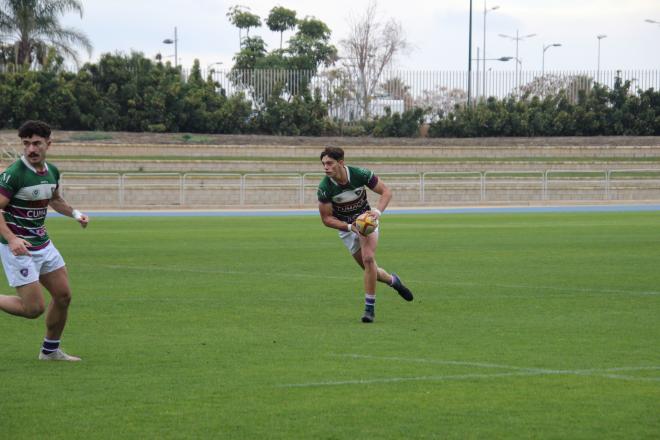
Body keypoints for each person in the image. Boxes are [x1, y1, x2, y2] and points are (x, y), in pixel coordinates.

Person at [0, 120, 89, 361]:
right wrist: (11, 239)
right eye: (26, 144)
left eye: (37, 143)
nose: (31, 149)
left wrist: (75, 213)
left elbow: (55, 199)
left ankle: (50, 351)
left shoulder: (52, 171)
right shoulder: (13, 174)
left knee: (63, 296)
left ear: (48, 144)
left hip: (42, 243)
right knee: (33, 309)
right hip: (19, 248)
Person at [317, 146, 413, 323]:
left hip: (366, 222)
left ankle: (369, 309)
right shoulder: (325, 188)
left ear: (341, 163)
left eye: (329, 163)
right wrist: (349, 227)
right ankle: (393, 281)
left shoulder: (360, 174)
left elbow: (386, 192)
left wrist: (376, 212)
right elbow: (326, 219)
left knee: (369, 258)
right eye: (323, 164)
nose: (326, 167)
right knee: (372, 271)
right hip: (347, 229)